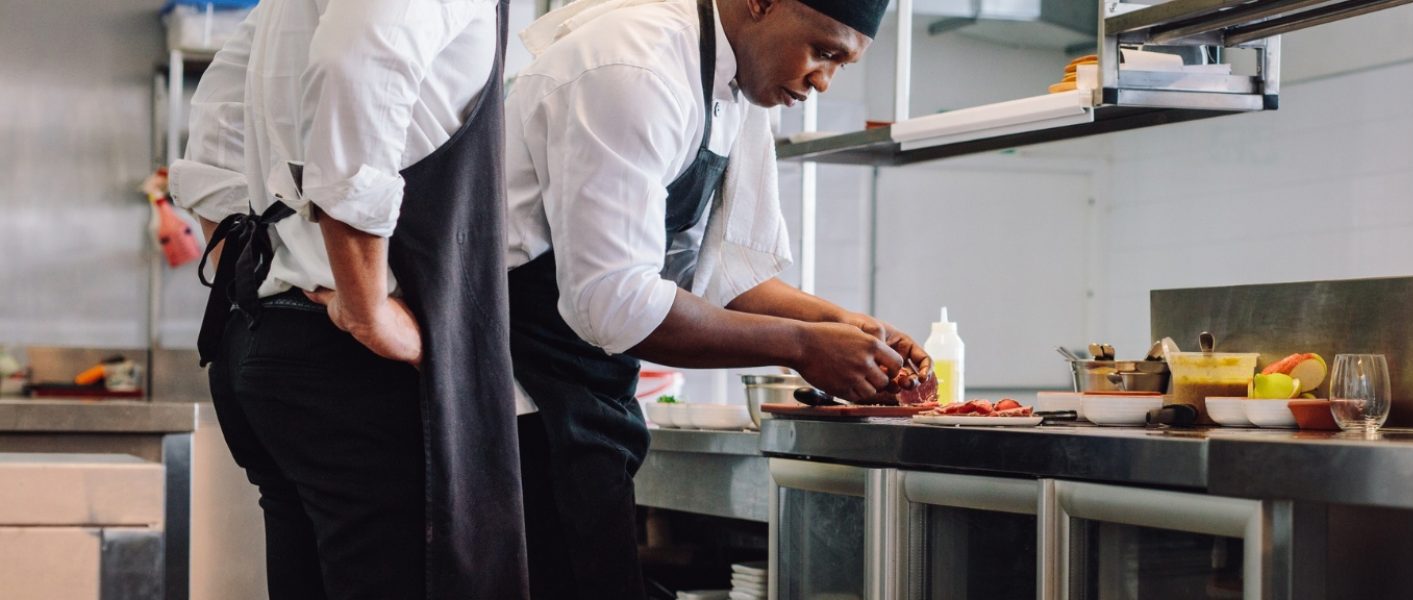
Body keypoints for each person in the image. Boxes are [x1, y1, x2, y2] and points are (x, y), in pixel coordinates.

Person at [502, 0, 915, 597]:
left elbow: (726, 273)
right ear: (760, 4)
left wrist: (846, 325)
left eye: (841, 65)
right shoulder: (634, 67)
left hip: (586, 388)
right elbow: (615, 302)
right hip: (517, 390)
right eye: (822, 51)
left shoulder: (734, 84)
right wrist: (803, 345)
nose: (822, 81)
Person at [168, 1, 527, 598]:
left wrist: (258, 274)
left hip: (273, 345)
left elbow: (219, 117)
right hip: (355, 369)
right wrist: (370, 312)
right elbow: (358, 63)